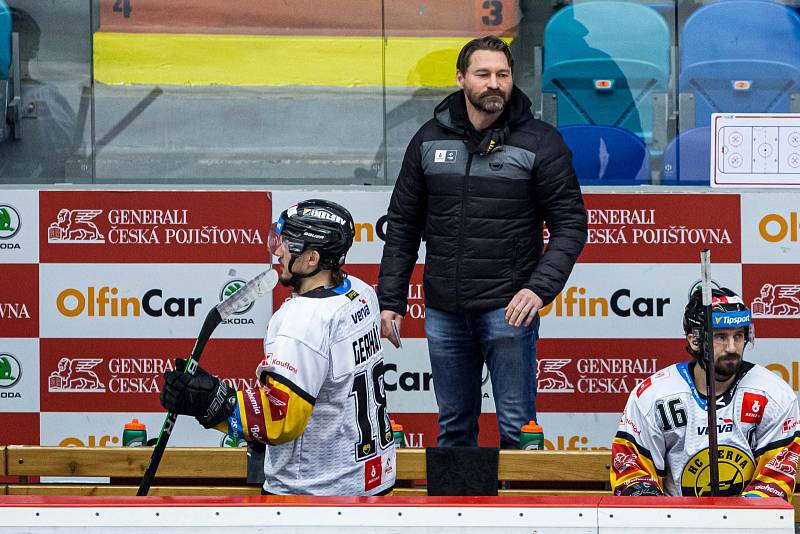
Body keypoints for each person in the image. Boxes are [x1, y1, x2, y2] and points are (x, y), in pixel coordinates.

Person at [377, 35, 587, 449]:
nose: (494, 83)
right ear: (461, 79)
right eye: (484, 74)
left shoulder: (541, 141)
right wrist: (391, 300)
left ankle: (522, 517)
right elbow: (402, 225)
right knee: (453, 430)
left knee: (517, 431)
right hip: (444, 312)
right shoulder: (427, 138)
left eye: (503, 74)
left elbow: (571, 225)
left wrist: (538, 288)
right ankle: (458, 516)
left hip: (508, 311)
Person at [160, 199, 395, 496]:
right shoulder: (360, 292)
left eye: (287, 244)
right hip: (371, 482)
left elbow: (279, 420)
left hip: (315, 495)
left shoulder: (301, 320)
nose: (278, 251)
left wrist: (211, 403)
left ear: (311, 259)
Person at [611, 285, 800, 499]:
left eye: (738, 336)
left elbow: (775, 478)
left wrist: (733, 521)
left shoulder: (774, 395)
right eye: (720, 337)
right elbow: (632, 471)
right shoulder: (653, 396)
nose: (732, 347)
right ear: (694, 340)